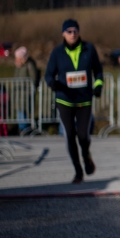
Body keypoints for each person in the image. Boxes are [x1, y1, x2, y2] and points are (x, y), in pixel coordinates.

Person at [44, 19, 104, 183]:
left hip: (84, 100)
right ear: (63, 34)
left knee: (83, 135)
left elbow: (98, 70)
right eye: (69, 31)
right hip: (65, 100)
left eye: (75, 31)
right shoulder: (57, 52)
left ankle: (86, 155)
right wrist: (52, 83)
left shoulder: (89, 49)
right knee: (70, 135)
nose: (72, 34)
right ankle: (78, 171)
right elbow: (48, 75)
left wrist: (98, 85)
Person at [13, 46, 39, 132]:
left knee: (23, 111)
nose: (16, 60)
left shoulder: (29, 65)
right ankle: (22, 128)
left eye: (18, 58)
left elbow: (33, 78)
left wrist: (30, 90)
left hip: (25, 93)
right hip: (18, 93)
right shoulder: (19, 67)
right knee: (20, 111)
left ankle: (24, 129)